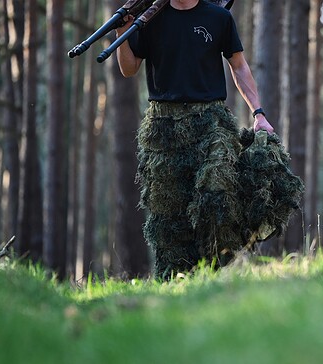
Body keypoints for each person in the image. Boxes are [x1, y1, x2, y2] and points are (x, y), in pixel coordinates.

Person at [115, 0, 275, 279]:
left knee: (217, 190)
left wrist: (258, 113)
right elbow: (129, 69)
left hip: (211, 119)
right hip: (163, 125)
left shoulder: (218, 17)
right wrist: (122, 32)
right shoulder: (150, 18)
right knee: (168, 215)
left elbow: (239, 66)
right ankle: (176, 282)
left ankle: (220, 273)